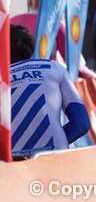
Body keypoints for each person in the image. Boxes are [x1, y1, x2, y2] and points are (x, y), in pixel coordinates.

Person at [9, 24, 89, 153]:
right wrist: (56, 144)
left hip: (11, 159)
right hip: (54, 156)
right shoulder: (53, 67)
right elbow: (81, 124)